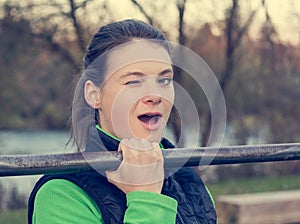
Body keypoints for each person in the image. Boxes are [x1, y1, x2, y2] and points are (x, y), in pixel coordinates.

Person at [28, 19, 217, 224]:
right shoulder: (61, 195)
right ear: (94, 95)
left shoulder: (190, 182)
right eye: (133, 81)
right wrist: (147, 199)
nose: (155, 95)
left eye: (163, 80)